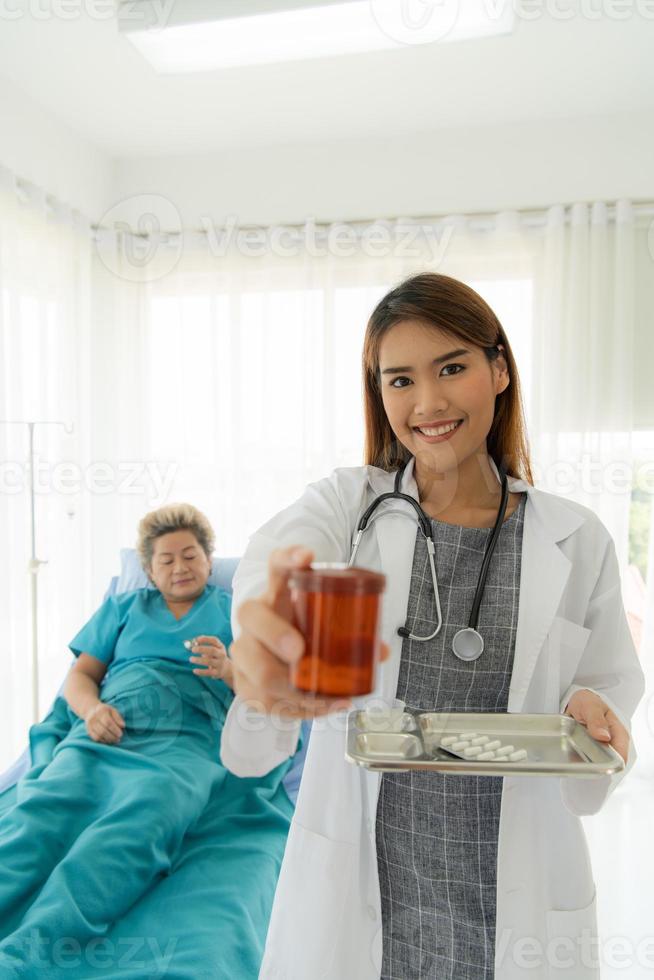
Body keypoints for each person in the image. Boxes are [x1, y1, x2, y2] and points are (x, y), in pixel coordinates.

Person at [219, 273, 646, 980]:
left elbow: (603, 705)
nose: (429, 403)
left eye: (452, 367)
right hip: (366, 890)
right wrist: (266, 625)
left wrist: (594, 716)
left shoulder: (577, 538)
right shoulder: (346, 505)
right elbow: (275, 561)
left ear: (499, 369)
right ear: (378, 394)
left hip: (514, 892)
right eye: (400, 380)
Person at [0, 503, 295, 979]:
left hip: (188, 742)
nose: (180, 567)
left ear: (207, 559)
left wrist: (228, 670)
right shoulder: (122, 609)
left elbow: (266, 695)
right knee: (41, 810)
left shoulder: (234, 613)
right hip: (107, 733)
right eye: (166, 560)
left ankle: (37, 946)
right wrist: (92, 712)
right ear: (148, 570)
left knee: (146, 814)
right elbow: (79, 679)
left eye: (191, 556)